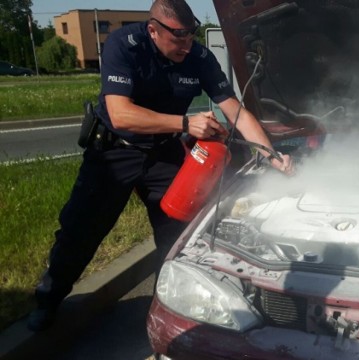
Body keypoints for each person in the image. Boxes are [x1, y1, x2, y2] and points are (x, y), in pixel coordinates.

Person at [27, 0, 293, 332]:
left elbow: (234, 110)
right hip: (114, 151)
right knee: (81, 230)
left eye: (190, 36)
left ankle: (165, 305)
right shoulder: (124, 45)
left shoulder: (198, 57)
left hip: (163, 152)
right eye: (177, 38)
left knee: (179, 232)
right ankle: (47, 301)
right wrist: (185, 122)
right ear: (154, 30)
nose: (186, 45)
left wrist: (271, 155)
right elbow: (121, 114)